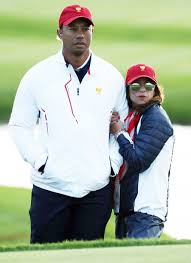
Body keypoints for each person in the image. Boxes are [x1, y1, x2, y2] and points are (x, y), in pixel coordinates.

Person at [9, 4, 128, 243]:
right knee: (45, 257)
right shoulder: (37, 75)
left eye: (85, 28)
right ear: (59, 32)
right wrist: (40, 162)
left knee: (86, 258)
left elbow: (122, 126)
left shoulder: (110, 76)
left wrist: (111, 166)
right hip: (51, 188)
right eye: (72, 28)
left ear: (93, 32)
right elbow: (19, 126)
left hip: (95, 189)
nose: (80, 34)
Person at [110, 63, 175, 239]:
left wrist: (118, 133)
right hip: (128, 210)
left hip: (146, 212)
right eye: (136, 86)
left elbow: (138, 160)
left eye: (148, 85)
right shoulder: (134, 116)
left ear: (155, 90)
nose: (142, 90)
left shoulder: (156, 119)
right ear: (128, 90)